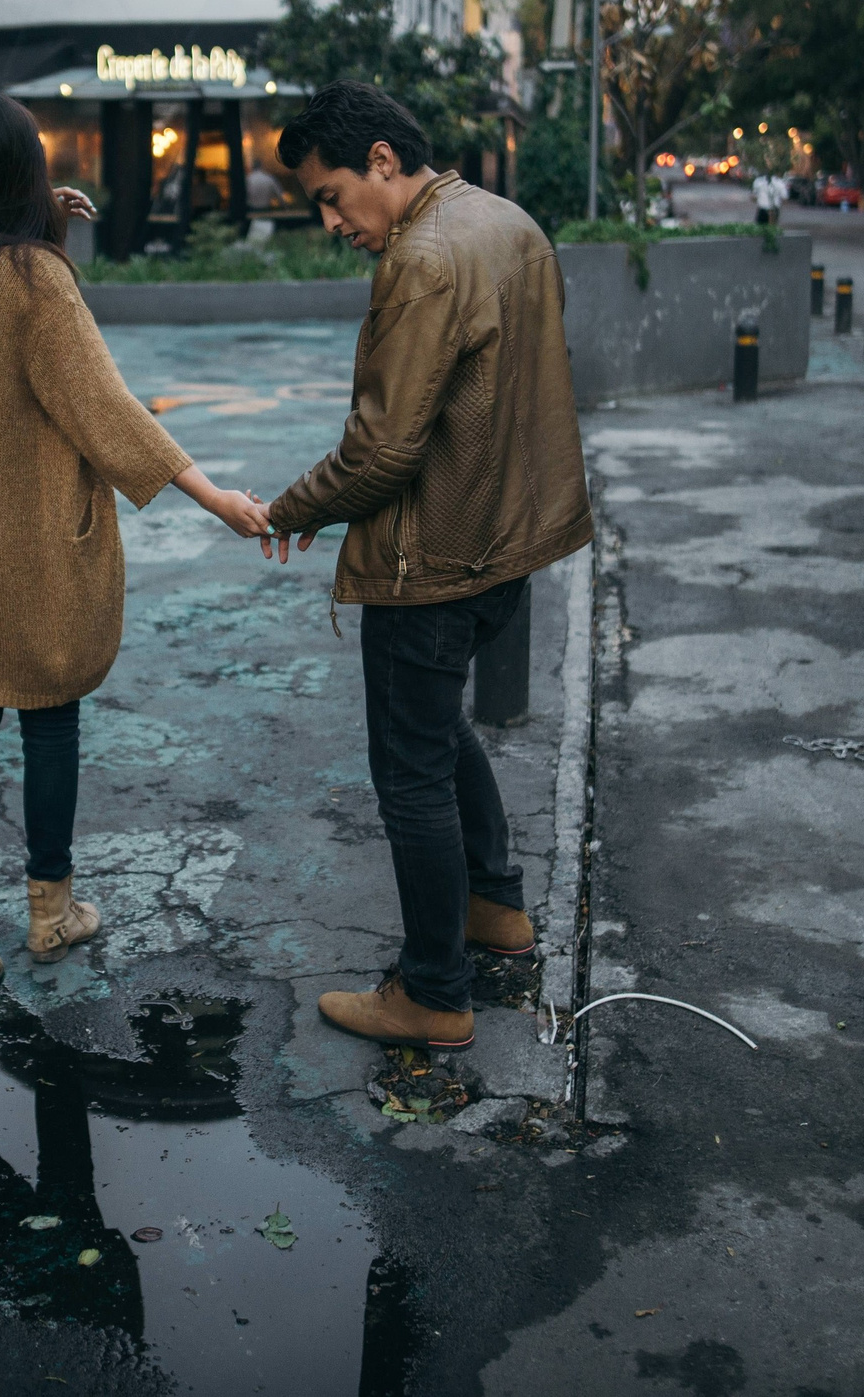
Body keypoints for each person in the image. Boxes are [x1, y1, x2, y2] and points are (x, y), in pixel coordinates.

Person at [0, 90, 269, 993]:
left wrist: (37, 224)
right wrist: (213, 496)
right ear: (25, 170)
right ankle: (51, 911)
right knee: (50, 715)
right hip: (34, 535)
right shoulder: (37, 281)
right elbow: (103, 407)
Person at [258, 82, 592, 1049]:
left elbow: (382, 450)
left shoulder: (423, 257)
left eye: (331, 196)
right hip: (502, 552)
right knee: (439, 730)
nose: (331, 223)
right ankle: (496, 906)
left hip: (431, 564)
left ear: (383, 160)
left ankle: (436, 992)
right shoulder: (509, 223)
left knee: (410, 773)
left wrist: (291, 508)